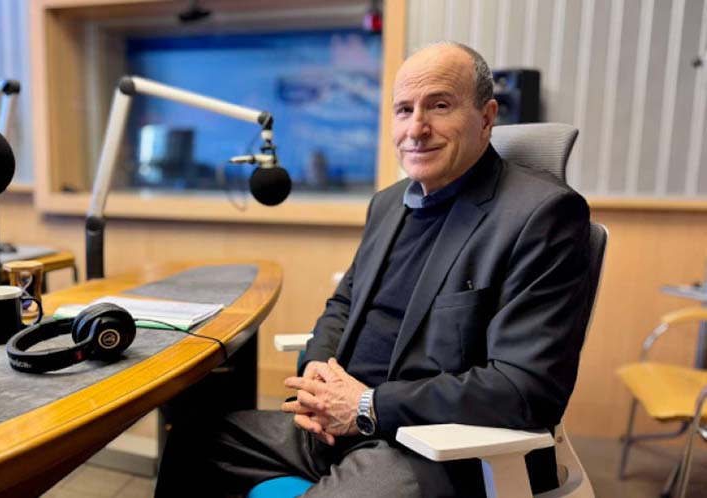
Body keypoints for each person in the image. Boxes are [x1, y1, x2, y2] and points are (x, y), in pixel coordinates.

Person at [154, 41, 592, 498]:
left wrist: (367, 406)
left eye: (439, 106)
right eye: (404, 110)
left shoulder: (541, 216)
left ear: (486, 117)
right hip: (338, 423)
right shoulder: (387, 204)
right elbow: (344, 304)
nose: (417, 128)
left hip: (431, 445)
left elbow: (525, 388)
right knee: (193, 441)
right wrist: (318, 373)